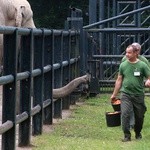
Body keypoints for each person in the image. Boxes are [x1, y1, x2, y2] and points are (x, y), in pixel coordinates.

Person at [111, 44, 150, 142]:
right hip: (125, 94)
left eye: (129, 53)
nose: (127, 55)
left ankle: (138, 132)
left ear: (136, 53)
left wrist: (148, 81)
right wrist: (114, 94)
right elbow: (119, 80)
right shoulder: (123, 65)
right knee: (125, 114)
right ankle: (126, 135)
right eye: (126, 52)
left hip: (138, 94)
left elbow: (149, 76)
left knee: (139, 116)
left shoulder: (142, 65)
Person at [122, 42, 150, 129]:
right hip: (126, 90)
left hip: (138, 90)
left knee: (139, 111)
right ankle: (130, 125)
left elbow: (148, 74)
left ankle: (137, 125)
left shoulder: (143, 61)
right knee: (127, 110)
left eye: (138, 50)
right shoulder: (124, 60)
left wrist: (148, 80)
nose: (137, 52)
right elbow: (121, 73)